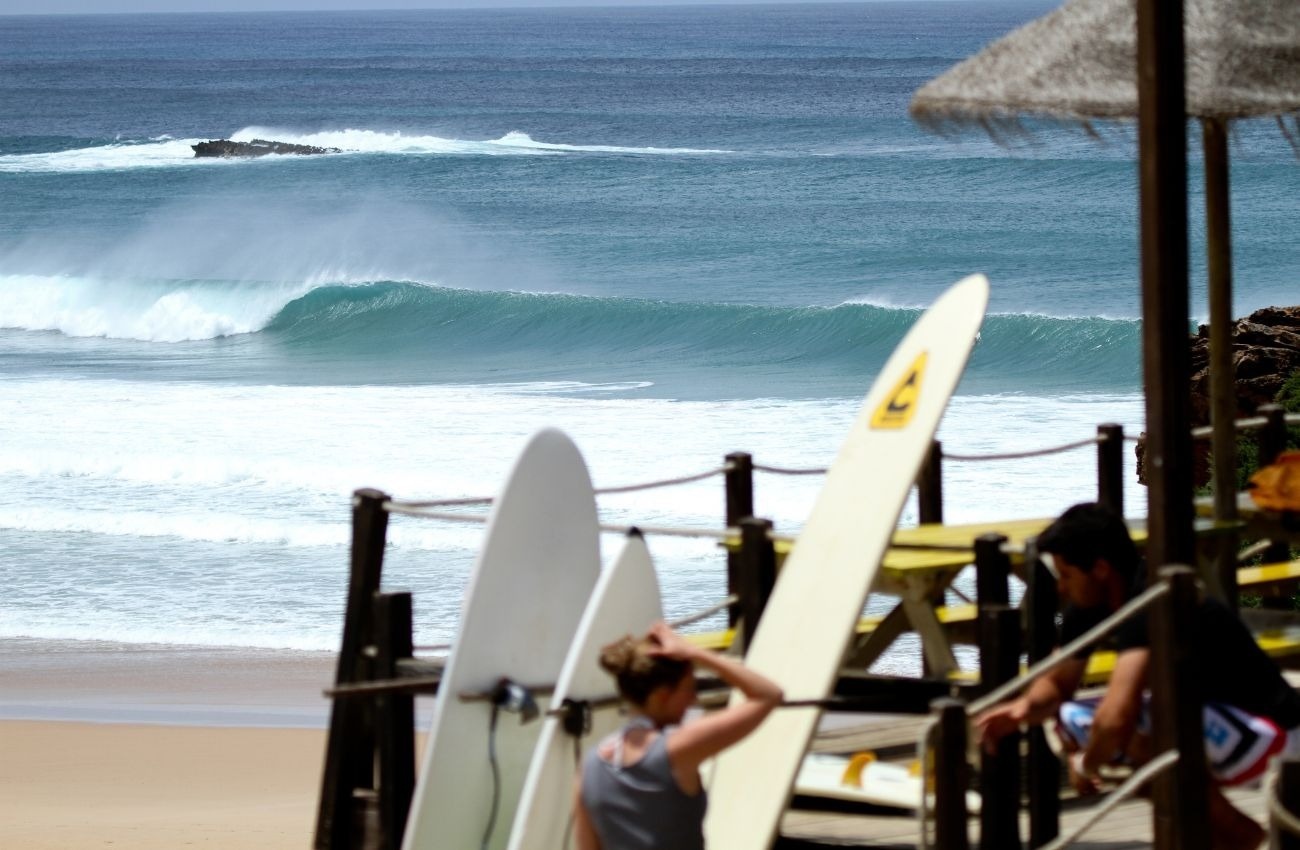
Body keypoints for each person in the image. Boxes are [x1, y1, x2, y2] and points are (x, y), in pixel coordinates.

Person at [975, 502, 1300, 850]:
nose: (1062, 589)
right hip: (1220, 727)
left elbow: (1116, 718)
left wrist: (1087, 764)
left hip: (1278, 734)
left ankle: (1239, 834)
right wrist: (1022, 710)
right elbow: (1056, 684)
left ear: (1100, 569)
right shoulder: (1089, 608)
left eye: (1067, 576)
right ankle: (1225, 837)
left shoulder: (1149, 601)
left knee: (1132, 730)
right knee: (1076, 719)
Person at [572, 621, 783, 850]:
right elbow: (768, 695)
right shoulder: (677, 749)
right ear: (663, 695)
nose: (693, 700)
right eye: (690, 690)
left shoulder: (590, 765)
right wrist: (694, 652)